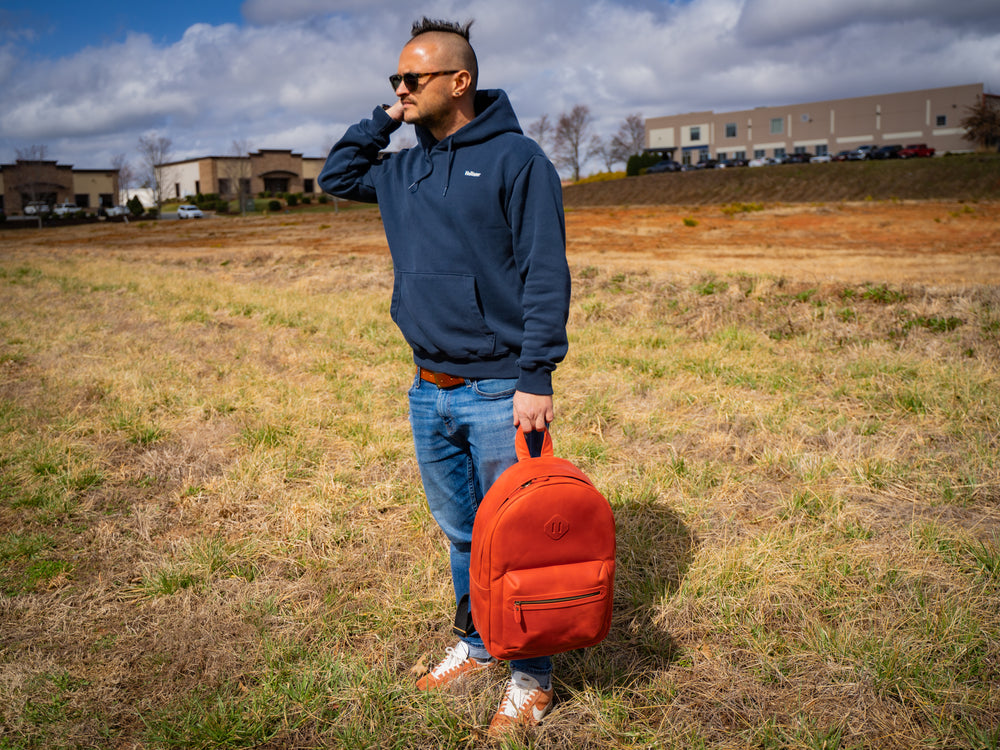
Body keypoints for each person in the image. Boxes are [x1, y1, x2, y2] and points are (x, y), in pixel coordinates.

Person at [318, 16, 571, 736]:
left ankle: (532, 680)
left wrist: (536, 376)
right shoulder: (400, 168)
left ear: (460, 82)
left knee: (516, 540)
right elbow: (335, 176)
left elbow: (545, 272)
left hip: (499, 390)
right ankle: (479, 640)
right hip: (428, 387)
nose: (400, 88)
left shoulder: (518, 160)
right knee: (463, 535)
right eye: (394, 80)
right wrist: (382, 120)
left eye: (412, 79)